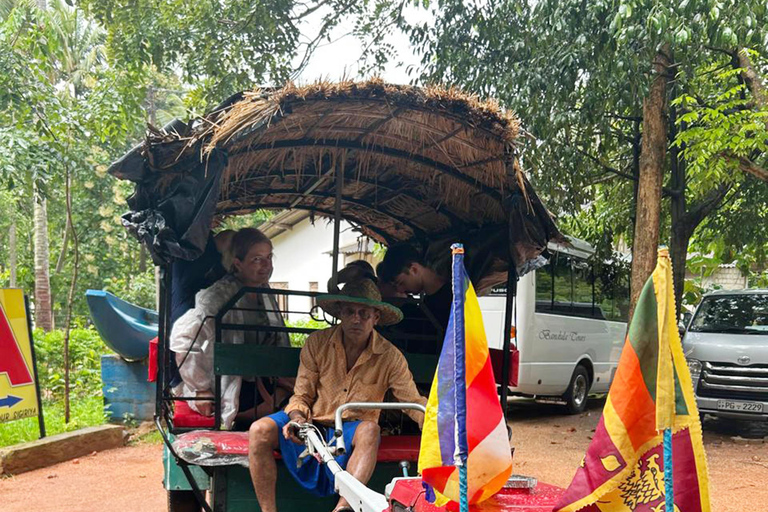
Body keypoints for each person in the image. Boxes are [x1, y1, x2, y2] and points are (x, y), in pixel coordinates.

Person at [248, 279, 426, 512]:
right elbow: (301, 394)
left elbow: (412, 402)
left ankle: (343, 509)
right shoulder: (317, 343)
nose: (356, 319)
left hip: (353, 430)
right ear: (340, 313)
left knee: (371, 430)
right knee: (258, 430)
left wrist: (440, 426)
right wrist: (298, 418)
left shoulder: (390, 357)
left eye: (364, 313)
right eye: (350, 311)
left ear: (376, 318)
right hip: (312, 423)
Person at [170, 227, 292, 430]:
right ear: (238, 263)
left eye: (269, 257)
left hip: (261, 377)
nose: (266, 266)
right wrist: (201, 390)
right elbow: (183, 337)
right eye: (256, 259)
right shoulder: (218, 296)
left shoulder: (264, 291)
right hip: (229, 383)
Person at [378, 244, 452, 333]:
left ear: (414, 269)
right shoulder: (428, 301)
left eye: (401, 283)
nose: (401, 290)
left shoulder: (453, 300)